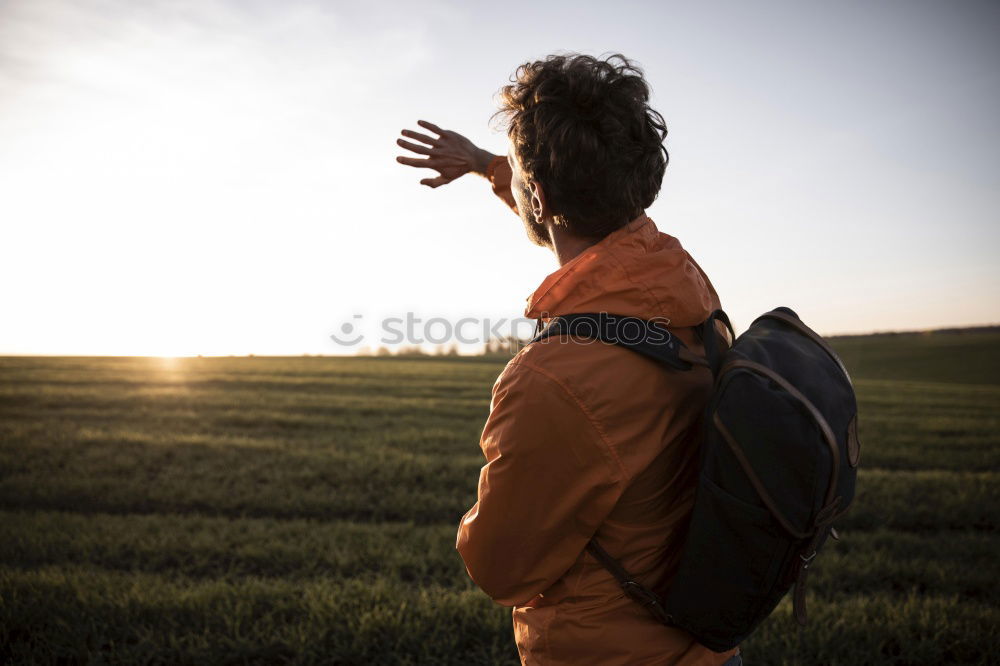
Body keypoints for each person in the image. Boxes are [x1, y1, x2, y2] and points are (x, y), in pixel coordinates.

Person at [396, 53, 740, 666]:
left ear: (542, 194)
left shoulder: (553, 379)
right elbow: (582, 219)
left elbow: (501, 570)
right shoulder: (684, 284)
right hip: (709, 649)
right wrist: (486, 165)